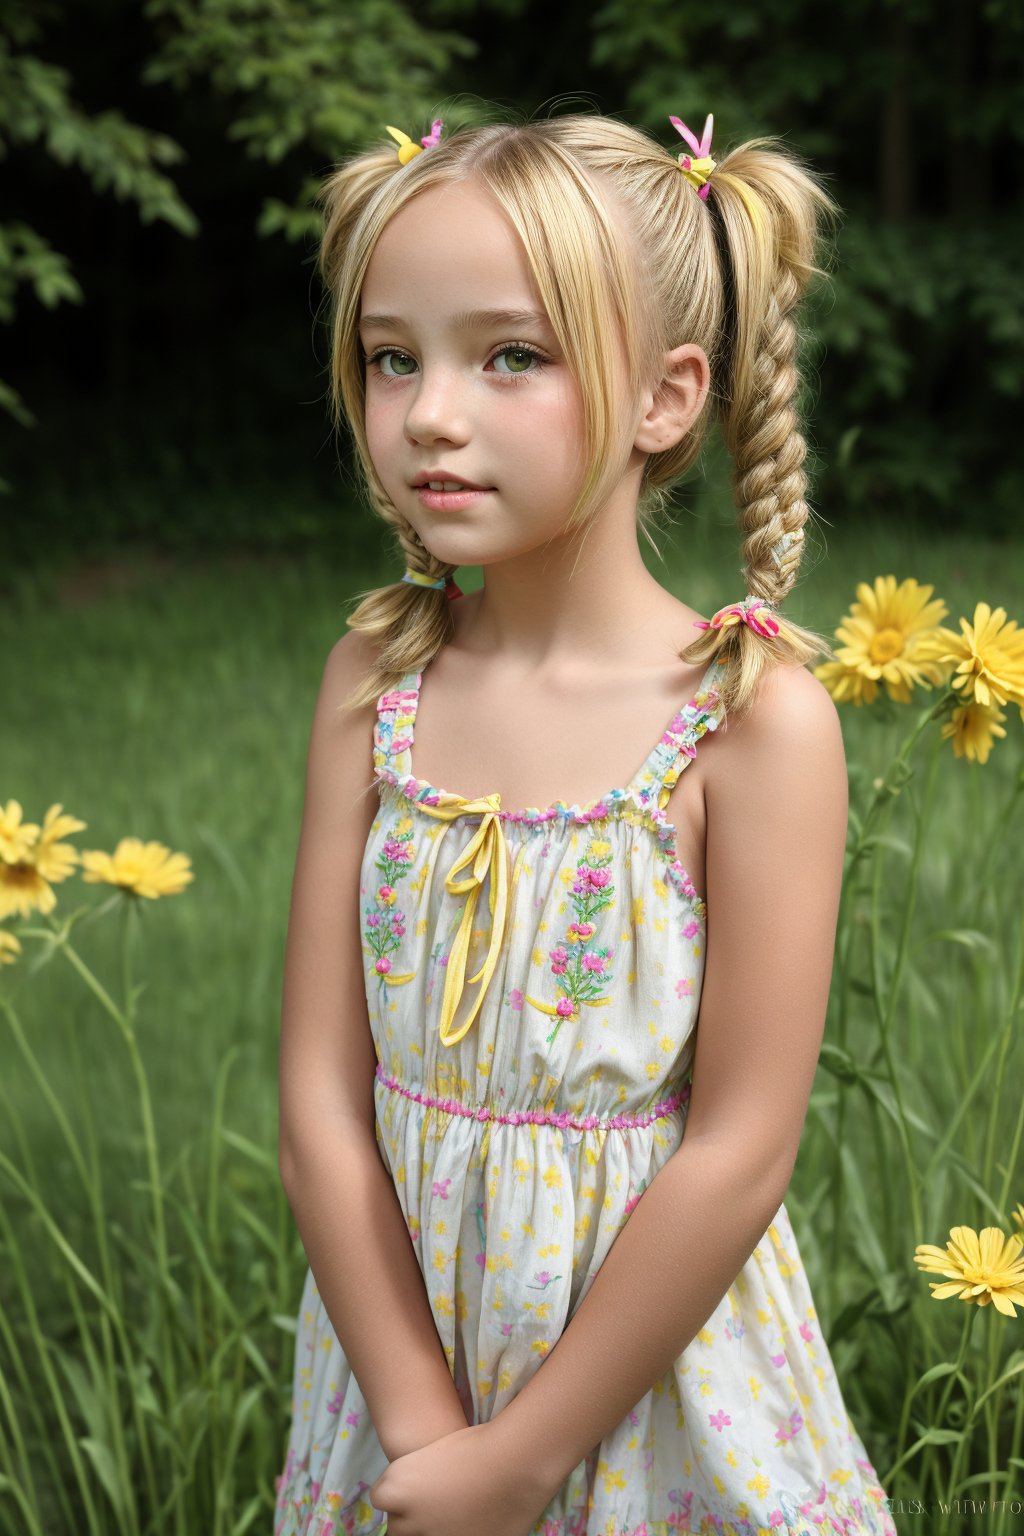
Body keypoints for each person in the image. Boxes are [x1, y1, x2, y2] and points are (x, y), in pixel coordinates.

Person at [273, 106, 898, 1536]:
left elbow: (741, 1146)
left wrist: (527, 1455)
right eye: (391, 357)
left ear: (670, 398)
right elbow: (321, 1100)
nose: (430, 411)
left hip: (648, 1393)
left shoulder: (749, 724)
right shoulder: (378, 683)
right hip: (399, 1363)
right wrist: (436, 1437)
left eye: (512, 357)